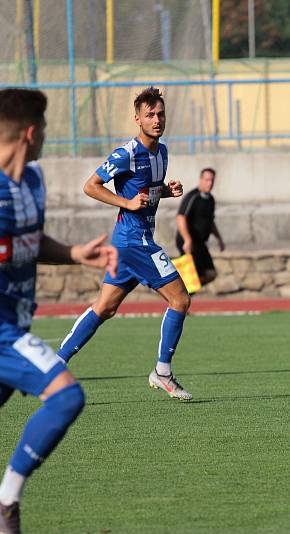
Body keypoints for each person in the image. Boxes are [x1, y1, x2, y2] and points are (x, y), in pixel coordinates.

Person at [0, 88, 117, 534]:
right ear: (32, 133)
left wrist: (73, 252)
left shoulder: (32, 182)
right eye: (46, 127)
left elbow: (29, 243)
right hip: (2, 333)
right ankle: (7, 500)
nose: (48, 134)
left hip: (15, 324)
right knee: (67, 396)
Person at [56, 87, 194, 401]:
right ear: (137, 119)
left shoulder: (163, 152)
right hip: (135, 241)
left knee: (104, 308)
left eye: (160, 114)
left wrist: (166, 192)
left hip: (131, 242)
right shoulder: (126, 153)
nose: (157, 120)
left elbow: (147, 192)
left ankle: (56, 363)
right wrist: (126, 203)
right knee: (180, 300)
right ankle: (162, 372)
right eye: (150, 115)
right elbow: (91, 186)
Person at [175, 167, 225, 286]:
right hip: (189, 242)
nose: (210, 183)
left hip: (201, 243)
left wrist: (219, 238)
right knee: (190, 279)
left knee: (210, 274)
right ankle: (176, 287)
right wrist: (187, 239)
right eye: (207, 180)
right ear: (201, 180)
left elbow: (210, 221)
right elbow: (180, 217)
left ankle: (181, 288)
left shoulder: (210, 199)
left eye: (212, 180)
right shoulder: (193, 197)